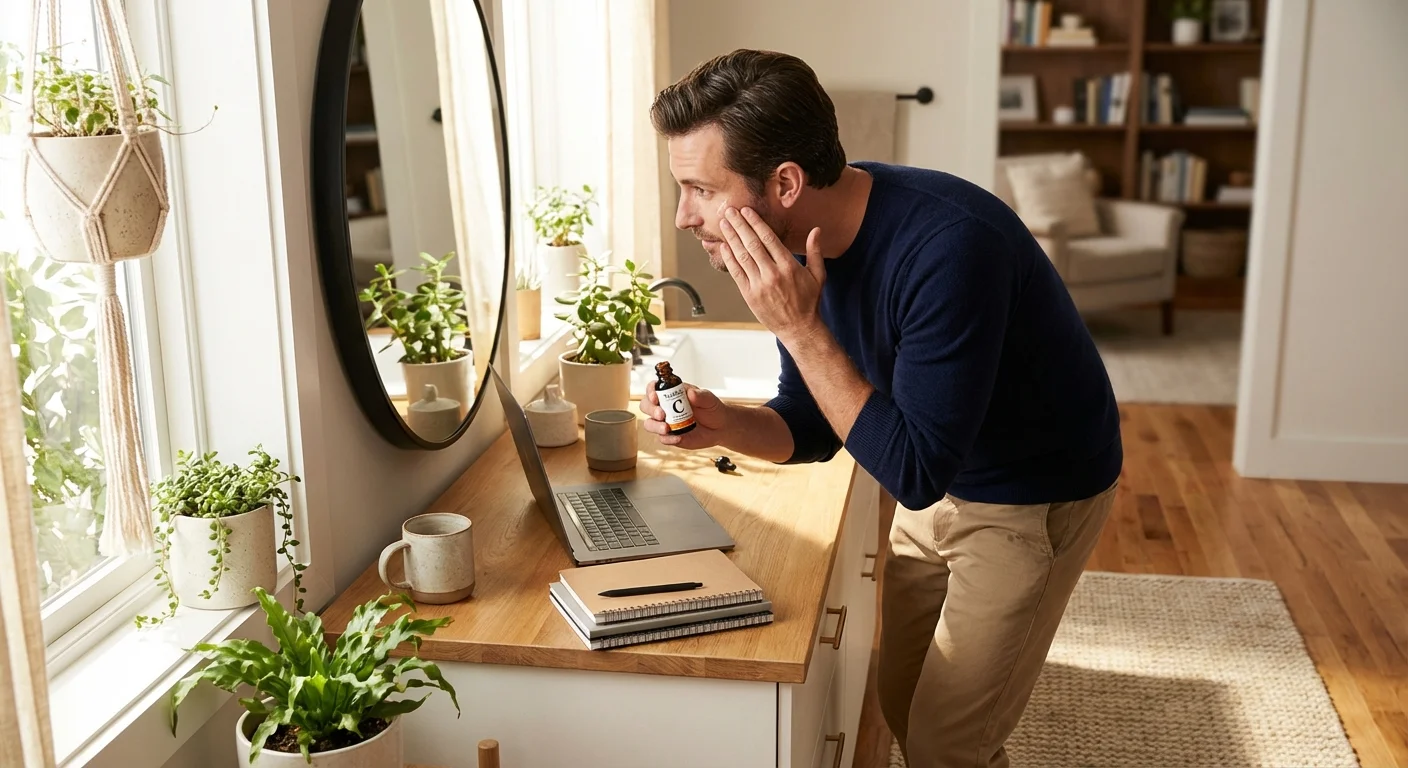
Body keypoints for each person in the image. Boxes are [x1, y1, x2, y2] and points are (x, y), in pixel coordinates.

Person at [639, 49, 1122, 768]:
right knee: (900, 703)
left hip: (1031, 496)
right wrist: (727, 422)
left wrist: (799, 327)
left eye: (701, 189)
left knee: (945, 744)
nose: (684, 216)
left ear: (786, 183)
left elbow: (914, 473)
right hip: (935, 460)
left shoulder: (950, 250)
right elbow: (811, 424)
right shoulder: (797, 249)